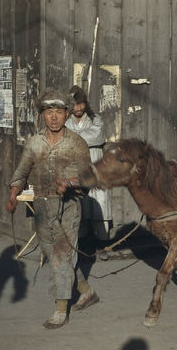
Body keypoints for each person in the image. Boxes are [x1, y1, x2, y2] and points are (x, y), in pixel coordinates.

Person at [5, 88, 99, 330]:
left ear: (67, 114)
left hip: (69, 206)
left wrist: (70, 183)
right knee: (55, 256)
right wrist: (14, 192)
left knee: (61, 256)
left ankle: (60, 310)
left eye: (59, 112)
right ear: (42, 115)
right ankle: (86, 292)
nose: (54, 117)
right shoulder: (35, 143)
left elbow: (90, 179)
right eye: (49, 112)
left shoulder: (77, 143)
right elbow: (22, 171)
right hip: (42, 206)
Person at [66, 85, 113, 244]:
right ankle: (83, 243)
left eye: (81, 103)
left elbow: (97, 137)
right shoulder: (66, 121)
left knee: (100, 202)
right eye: (74, 104)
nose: (78, 108)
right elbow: (65, 138)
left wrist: (74, 138)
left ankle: (102, 242)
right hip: (76, 168)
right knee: (80, 203)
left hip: (95, 166)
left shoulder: (95, 119)